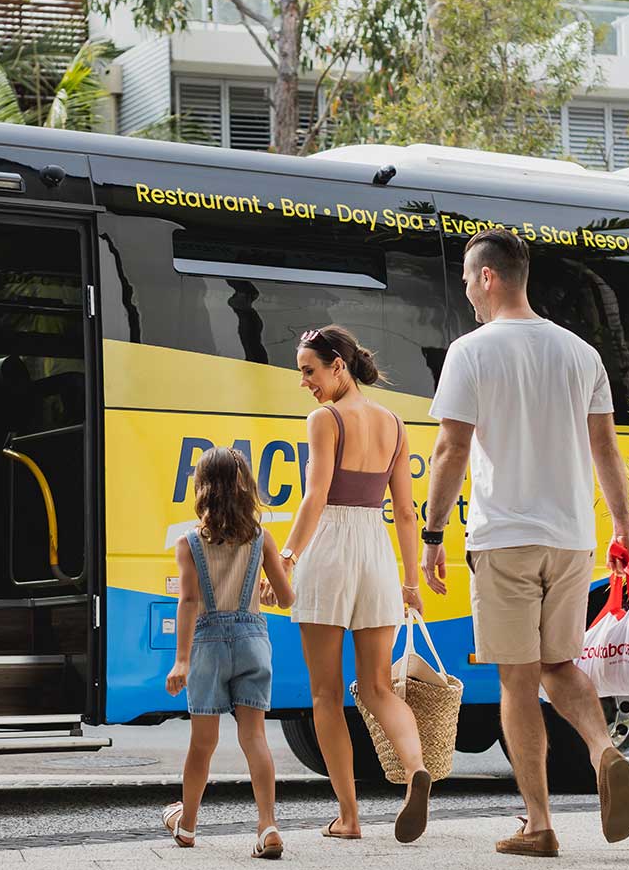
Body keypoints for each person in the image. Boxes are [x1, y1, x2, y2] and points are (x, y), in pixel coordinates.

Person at [422, 227, 629, 858]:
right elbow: (605, 450)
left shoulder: (472, 352)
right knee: (558, 665)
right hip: (572, 538)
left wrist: (433, 532)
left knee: (518, 683)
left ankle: (540, 824)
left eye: (467, 278)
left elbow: (451, 449)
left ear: (488, 277)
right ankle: (603, 748)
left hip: (506, 537)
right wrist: (622, 528)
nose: (466, 290)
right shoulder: (580, 354)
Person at [269, 324, 432, 843]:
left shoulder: (325, 419)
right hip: (377, 552)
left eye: (309, 371)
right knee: (380, 686)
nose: (305, 384)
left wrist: (288, 557)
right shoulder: (393, 421)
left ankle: (350, 815)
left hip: (331, 551)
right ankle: (415, 771)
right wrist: (410, 582)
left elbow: (315, 496)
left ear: (338, 366)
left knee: (326, 693)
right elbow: (406, 512)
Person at [162, 447, 296, 860]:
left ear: (202, 488)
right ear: (246, 489)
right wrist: (269, 588)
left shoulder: (189, 543)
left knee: (202, 744)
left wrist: (181, 660)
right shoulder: (261, 537)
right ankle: (267, 826)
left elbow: (188, 601)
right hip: (253, 640)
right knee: (254, 737)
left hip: (206, 645)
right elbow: (286, 598)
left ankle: (186, 826)